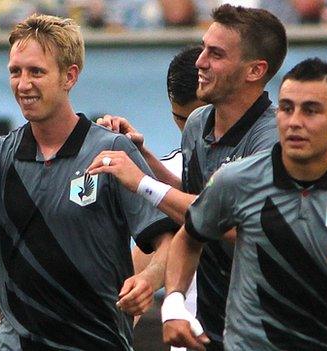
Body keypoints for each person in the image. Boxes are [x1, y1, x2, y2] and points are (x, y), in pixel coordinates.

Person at [0, 13, 174, 350]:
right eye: (16, 71)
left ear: (70, 76)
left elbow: (167, 241)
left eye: (36, 72)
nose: (23, 84)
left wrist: (148, 279)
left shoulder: (112, 149)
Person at [88, 4, 287, 350]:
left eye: (216, 54)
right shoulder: (198, 123)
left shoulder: (271, 138)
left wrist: (142, 182)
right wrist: (141, 154)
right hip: (210, 322)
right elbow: (195, 197)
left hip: (268, 325)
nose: (200, 61)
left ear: (255, 70)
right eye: (204, 48)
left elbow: (233, 223)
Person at [162, 57, 327, 351]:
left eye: (310, 110)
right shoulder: (235, 180)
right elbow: (189, 236)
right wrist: (173, 306)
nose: (295, 121)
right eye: (286, 108)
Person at [96, 46, 205, 330]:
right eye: (181, 119)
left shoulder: (259, 156)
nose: (191, 129)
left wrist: (143, 179)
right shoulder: (171, 166)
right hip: (189, 336)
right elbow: (150, 251)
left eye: (202, 117)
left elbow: (218, 215)